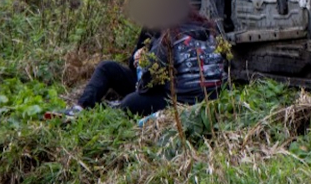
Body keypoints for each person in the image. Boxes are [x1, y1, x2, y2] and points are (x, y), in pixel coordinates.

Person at [68, 8, 227, 117]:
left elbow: (150, 82)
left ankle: (86, 108)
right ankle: (89, 105)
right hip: (210, 96)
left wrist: (142, 67)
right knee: (108, 68)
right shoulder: (211, 34)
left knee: (129, 103)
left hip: (175, 96)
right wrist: (138, 59)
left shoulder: (168, 36)